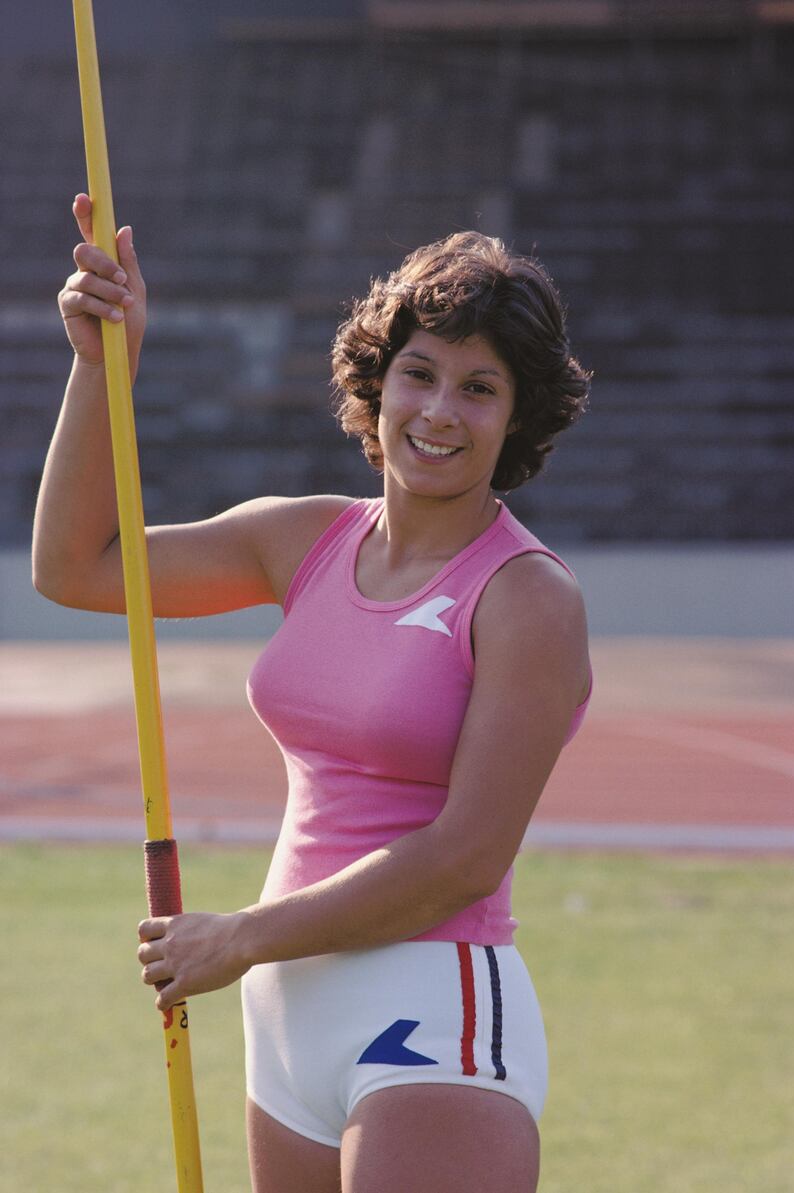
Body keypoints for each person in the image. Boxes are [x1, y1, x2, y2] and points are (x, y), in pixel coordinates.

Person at [33, 193, 593, 1193]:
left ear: (517, 415)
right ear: (378, 380)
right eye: (417, 372)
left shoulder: (525, 597)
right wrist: (98, 364)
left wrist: (238, 935)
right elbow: (80, 567)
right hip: (287, 1015)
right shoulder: (306, 538)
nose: (435, 410)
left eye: (478, 387)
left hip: (431, 1017)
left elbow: (465, 856)